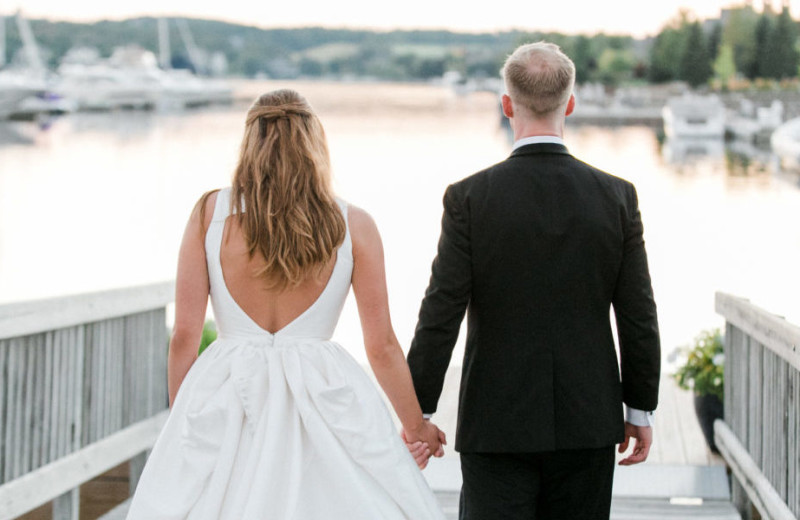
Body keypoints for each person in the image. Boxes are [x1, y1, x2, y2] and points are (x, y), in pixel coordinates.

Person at [126, 89, 447, 520]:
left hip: (228, 386)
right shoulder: (354, 225)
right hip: (322, 389)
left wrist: (183, 423)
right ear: (315, 142)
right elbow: (382, 346)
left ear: (249, 143)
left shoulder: (210, 214)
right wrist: (416, 427)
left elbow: (185, 336)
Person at [405, 42, 661, 520]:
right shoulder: (617, 197)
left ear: (507, 105)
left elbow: (440, 312)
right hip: (588, 419)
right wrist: (640, 408)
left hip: (496, 422)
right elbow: (638, 314)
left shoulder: (469, 198)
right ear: (570, 104)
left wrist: (418, 412)